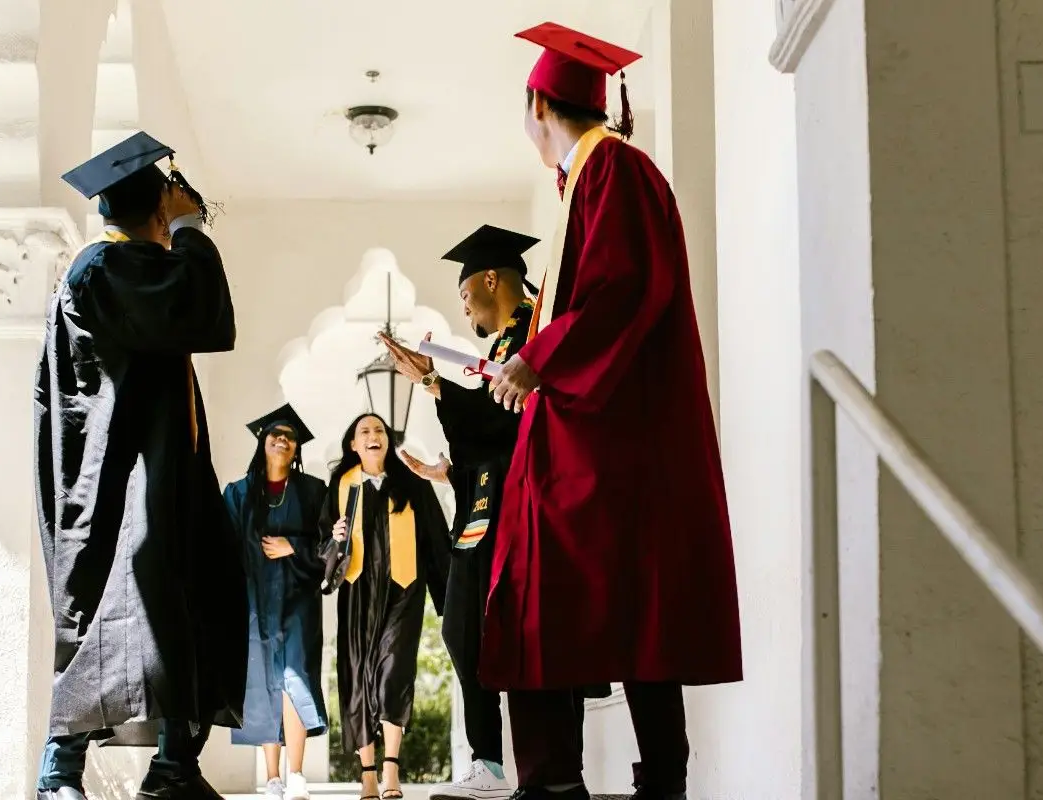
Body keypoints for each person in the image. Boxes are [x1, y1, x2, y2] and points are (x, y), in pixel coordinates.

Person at [479, 22, 744, 800]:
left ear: (537, 104)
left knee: (563, 600)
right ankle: (575, 780)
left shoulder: (615, 171)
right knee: (608, 607)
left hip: (602, 438)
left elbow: (624, 288)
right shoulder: (593, 177)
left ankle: (589, 782)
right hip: (593, 428)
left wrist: (538, 357)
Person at [33, 131, 247, 800]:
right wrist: (188, 225)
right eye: (171, 210)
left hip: (157, 478)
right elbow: (204, 310)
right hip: (119, 482)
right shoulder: (108, 266)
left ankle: (175, 769)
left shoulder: (120, 269)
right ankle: (58, 773)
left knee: (193, 605)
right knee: (113, 610)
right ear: (157, 210)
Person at [380, 225, 603, 800]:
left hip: (524, 506)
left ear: (488, 280)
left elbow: (506, 420)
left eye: (465, 295)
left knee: (521, 634)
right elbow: (494, 433)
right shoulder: (507, 343)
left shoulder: (533, 329)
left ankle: (548, 772)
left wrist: (431, 381)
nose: (465, 308)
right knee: (465, 629)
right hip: (488, 503)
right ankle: (496, 765)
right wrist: (449, 471)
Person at [318, 413, 451, 800]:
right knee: (358, 677)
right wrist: (334, 537)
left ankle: (391, 768)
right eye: (364, 431)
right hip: (358, 591)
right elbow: (322, 543)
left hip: (403, 590)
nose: (373, 435)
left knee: (395, 673)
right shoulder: (341, 485)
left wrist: (448, 595)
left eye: (379, 430)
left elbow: (435, 536)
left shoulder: (411, 481)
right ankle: (368, 774)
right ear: (353, 445)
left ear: (388, 441)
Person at [222, 405, 330, 800]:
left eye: (290, 436)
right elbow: (223, 549)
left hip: (298, 598)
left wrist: (293, 546)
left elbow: (330, 547)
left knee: (294, 677)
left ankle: (296, 773)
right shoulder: (238, 493)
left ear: (297, 448)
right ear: (263, 442)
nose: (282, 439)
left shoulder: (314, 491)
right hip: (254, 602)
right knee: (263, 679)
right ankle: (272, 777)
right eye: (275, 434)